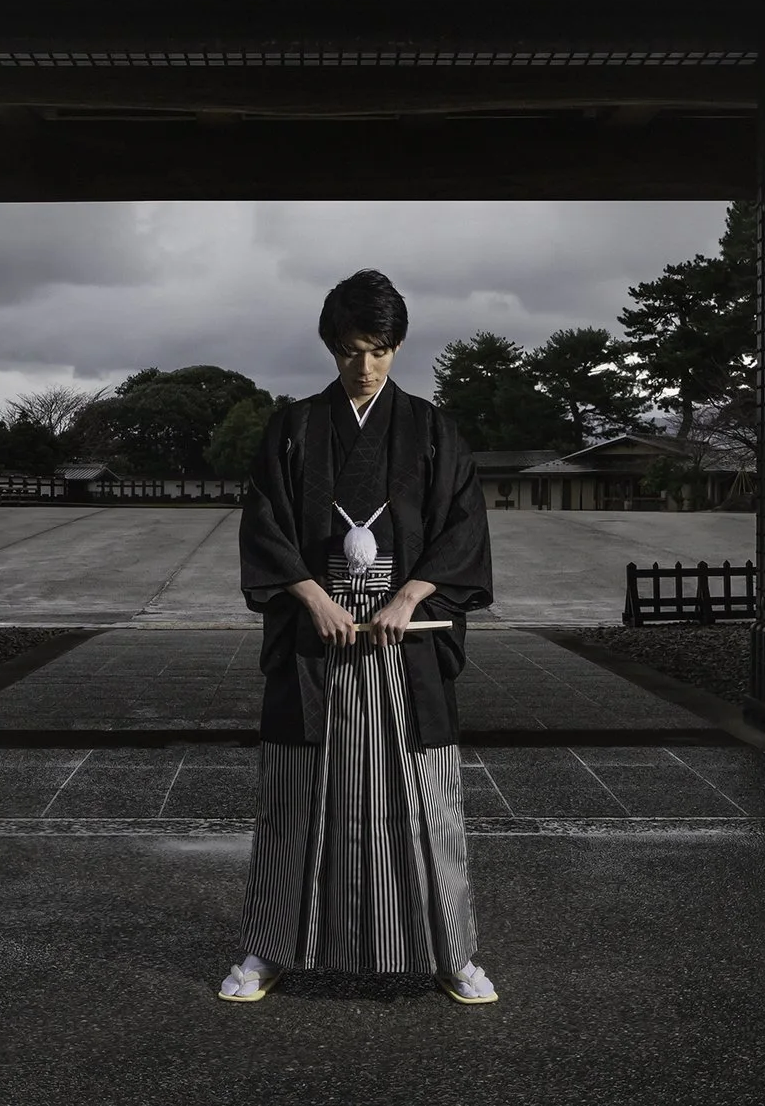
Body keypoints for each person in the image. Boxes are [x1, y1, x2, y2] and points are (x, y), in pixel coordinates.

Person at [218, 268, 498, 1006]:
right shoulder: (294, 427)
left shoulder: (434, 429)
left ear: (398, 346)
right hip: (318, 641)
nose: (364, 366)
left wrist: (412, 591)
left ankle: (451, 951)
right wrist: (310, 595)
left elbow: (464, 525)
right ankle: (268, 948)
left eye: (379, 349)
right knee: (295, 799)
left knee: (424, 802)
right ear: (330, 347)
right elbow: (265, 524)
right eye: (349, 350)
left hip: (404, 647)